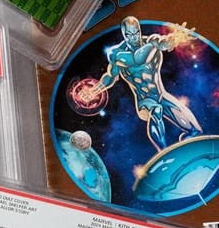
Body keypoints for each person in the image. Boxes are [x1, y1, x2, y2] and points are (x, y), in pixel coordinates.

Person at [82, 16, 202, 151]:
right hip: (144, 101)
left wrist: (172, 40)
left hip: (161, 95)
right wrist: (95, 90)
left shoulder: (152, 41)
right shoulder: (117, 54)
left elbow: (162, 43)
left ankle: (191, 144)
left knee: (195, 130)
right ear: (124, 35)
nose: (134, 37)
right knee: (156, 110)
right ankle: (164, 152)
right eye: (129, 35)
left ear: (139, 30)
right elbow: (117, 72)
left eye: (136, 33)